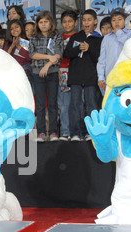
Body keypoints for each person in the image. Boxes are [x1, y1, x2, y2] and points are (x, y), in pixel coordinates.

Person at [64, 9, 103, 142]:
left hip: (91, 77)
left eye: (89, 20)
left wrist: (89, 48)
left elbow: (100, 58)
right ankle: (75, 132)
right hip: (75, 76)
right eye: (84, 20)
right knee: (75, 105)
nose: (86, 22)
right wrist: (78, 48)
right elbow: (67, 54)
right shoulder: (76, 37)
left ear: (95, 21)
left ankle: (90, 132)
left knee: (91, 105)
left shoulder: (99, 39)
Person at [29, 10, 63, 142]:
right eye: (40, 22)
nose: (43, 25)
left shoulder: (56, 36)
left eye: (46, 22)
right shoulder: (34, 37)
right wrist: (49, 56)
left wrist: (47, 65)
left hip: (52, 73)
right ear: (37, 24)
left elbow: (59, 53)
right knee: (41, 104)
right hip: (37, 74)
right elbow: (32, 54)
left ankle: (54, 132)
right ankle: (41, 132)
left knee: (53, 104)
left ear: (51, 23)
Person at [97, 8, 131, 93]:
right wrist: (101, 77)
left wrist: (119, 33)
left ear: (125, 21)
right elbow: (102, 60)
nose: (116, 22)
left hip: (128, 76)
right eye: (114, 20)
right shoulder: (107, 38)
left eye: (120, 19)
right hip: (111, 76)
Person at [58, 10, 78, 141]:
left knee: (76, 103)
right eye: (64, 22)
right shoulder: (58, 37)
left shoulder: (80, 36)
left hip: (76, 72)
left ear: (76, 22)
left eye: (70, 21)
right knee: (63, 104)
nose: (67, 24)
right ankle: (65, 131)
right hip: (61, 72)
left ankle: (76, 131)